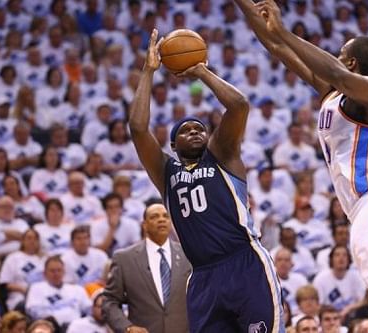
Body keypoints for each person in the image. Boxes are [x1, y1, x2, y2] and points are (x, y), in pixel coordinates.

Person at [236, 1, 368, 332]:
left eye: (340, 53)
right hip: (364, 213)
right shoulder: (333, 95)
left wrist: (284, 30)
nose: (334, 57)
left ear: (350, 61)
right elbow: (274, 45)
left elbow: (332, 70)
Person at [129, 29, 284, 332]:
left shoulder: (222, 156)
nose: (196, 131)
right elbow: (137, 127)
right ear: (173, 146)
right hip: (203, 276)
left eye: (200, 128)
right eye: (186, 130)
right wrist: (148, 71)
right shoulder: (166, 172)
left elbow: (238, 105)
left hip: (244, 262)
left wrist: (201, 70)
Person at [103, 202, 191, 333]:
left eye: (165, 216)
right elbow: (110, 301)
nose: (161, 219)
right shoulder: (124, 259)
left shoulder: (188, 254)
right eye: (154, 216)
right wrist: (127, 327)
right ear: (144, 225)